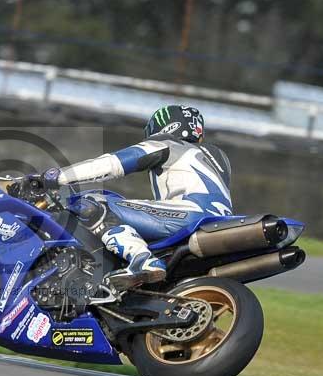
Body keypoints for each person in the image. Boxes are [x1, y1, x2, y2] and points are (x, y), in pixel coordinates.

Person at [41, 105, 232, 290]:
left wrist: (56, 177)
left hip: (191, 216)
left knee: (92, 201)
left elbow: (112, 164)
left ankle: (142, 260)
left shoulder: (169, 145)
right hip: (220, 223)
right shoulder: (217, 158)